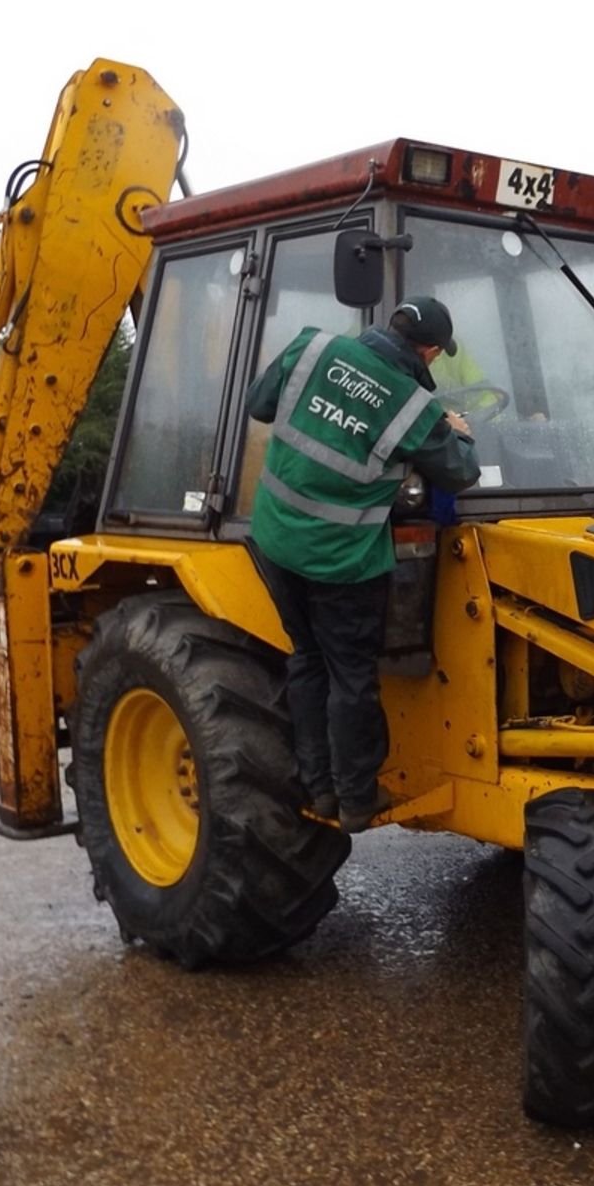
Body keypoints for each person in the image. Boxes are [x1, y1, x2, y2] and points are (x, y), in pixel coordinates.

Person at [244, 297, 480, 833]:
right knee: (352, 677)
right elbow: (461, 471)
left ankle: (320, 790)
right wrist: (457, 430)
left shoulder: (311, 347)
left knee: (306, 657)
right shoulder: (409, 405)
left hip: (275, 539)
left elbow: (260, 406)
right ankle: (355, 800)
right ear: (431, 351)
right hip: (338, 558)